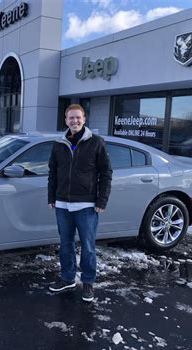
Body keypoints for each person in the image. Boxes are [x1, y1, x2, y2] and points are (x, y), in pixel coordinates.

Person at [47, 104, 112, 302]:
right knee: (65, 244)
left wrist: (102, 200)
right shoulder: (58, 144)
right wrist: (52, 197)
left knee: (88, 245)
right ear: (65, 120)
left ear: (84, 119)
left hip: (86, 205)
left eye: (78, 117)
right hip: (62, 205)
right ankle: (67, 278)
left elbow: (106, 173)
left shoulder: (96, 142)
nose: (74, 121)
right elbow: (53, 172)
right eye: (70, 118)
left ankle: (88, 282)